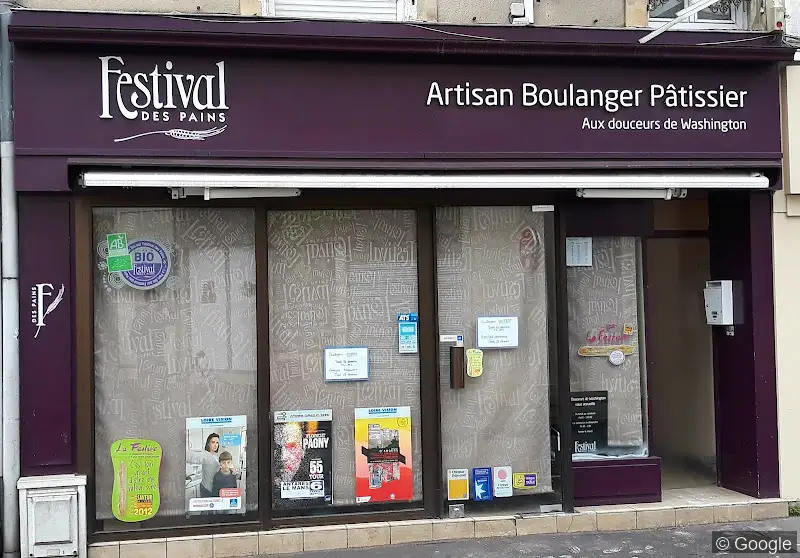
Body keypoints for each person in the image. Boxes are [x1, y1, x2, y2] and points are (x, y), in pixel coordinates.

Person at [186, 432, 222, 498]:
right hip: (207, 489)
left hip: (213, 488)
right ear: (208, 443)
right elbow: (193, 457)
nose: (215, 445)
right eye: (213, 442)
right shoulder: (204, 454)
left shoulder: (216, 456)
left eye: (217, 443)